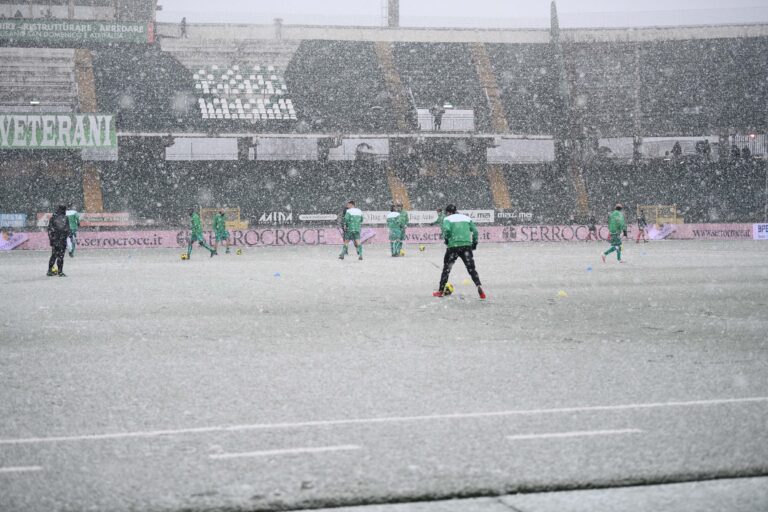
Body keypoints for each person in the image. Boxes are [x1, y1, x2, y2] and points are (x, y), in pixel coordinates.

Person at [433, 204, 485, 299]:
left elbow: (447, 230)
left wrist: (447, 239)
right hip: (466, 246)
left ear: (448, 212)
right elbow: (475, 231)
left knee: (446, 269)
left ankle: (440, 291)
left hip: (453, 246)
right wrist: (474, 243)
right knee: (471, 269)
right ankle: (479, 287)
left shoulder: (447, 219)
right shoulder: (466, 218)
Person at [47, 205, 70, 277]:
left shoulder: (53, 218)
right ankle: (60, 272)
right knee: (61, 256)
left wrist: (51, 239)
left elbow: (50, 230)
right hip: (62, 240)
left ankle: (49, 270)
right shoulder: (66, 218)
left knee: (53, 255)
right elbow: (67, 229)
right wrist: (66, 236)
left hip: (55, 240)